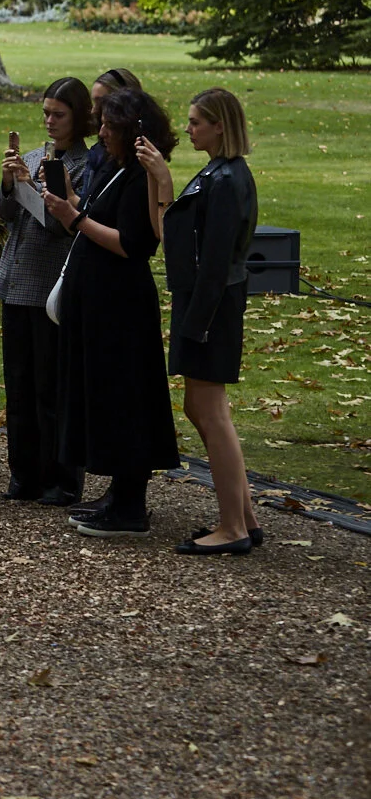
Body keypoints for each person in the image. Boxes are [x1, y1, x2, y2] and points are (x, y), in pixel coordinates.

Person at [44, 86, 179, 537]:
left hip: (121, 304)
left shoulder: (142, 177)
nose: (100, 131)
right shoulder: (118, 170)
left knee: (125, 398)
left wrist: (74, 219)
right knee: (105, 395)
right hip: (98, 300)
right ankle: (118, 495)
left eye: (108, 125)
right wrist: (68, 201)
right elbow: (98, 215)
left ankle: (130, 505)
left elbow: (133, 244)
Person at [149, 87, 261, 555]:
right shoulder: (216, 172)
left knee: (211, 413)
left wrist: (198, 322)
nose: (189, 129)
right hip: (205, 301)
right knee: (201, 409)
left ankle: (232, 527)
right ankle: (245, 518)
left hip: (213, 304)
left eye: (197, 122)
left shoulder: (229, 179)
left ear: (219, 125)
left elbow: (214, 263)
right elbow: (178, 237)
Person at [0, 77, 93, 504]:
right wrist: (8, 184)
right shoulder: (33, 156)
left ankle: (61, 476)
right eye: (46, 114)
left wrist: (32, 188)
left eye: (59, 115)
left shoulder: (84, 168)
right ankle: (24, 473)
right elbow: (7, 216)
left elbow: (58, 225)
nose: (50, 122)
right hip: (16, 281)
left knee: (50, 389)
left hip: (49, 285)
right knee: (18, 386)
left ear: (79, 117)